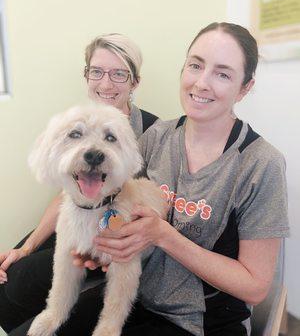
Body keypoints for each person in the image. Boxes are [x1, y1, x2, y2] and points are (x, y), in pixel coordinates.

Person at [7, 22, 289, 336]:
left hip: (201, 323)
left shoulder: (261, 164)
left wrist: (163, 235)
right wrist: (105, 248)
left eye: (222, 73)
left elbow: (254, 288)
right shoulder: (157, 137)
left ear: (245, 87)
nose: (202, 83)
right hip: (137, 299)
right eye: (195, 65)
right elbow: (110, 197)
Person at [0, 33, 158, 334]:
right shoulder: (76, 121)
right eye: (97, 72)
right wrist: (27, 246)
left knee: (22, 284)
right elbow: (67, 195)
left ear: (134, 82)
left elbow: (158, 205)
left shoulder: (153, 132)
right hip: (78, 217)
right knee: (10, 276)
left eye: (119, 73)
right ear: (86, 75)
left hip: (116, 234)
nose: (106, 83)